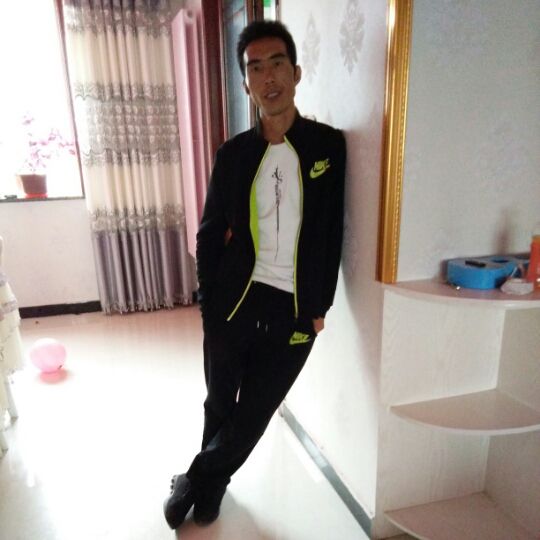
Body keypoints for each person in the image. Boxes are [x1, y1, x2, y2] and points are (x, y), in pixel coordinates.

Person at [164, 19, 346, 530]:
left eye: (277, 64)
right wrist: (209, 305)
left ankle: (193, 479)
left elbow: (332, 231)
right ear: (246, 82)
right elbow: (208, 234)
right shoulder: (233, 155)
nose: (268, 77)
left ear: (296, 73)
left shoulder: (327, 147)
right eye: (256, 68)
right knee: (220, 402)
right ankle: (212, 491)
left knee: (255, 413)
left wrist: (319, 307)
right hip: (235, 299)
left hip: (295, 307)